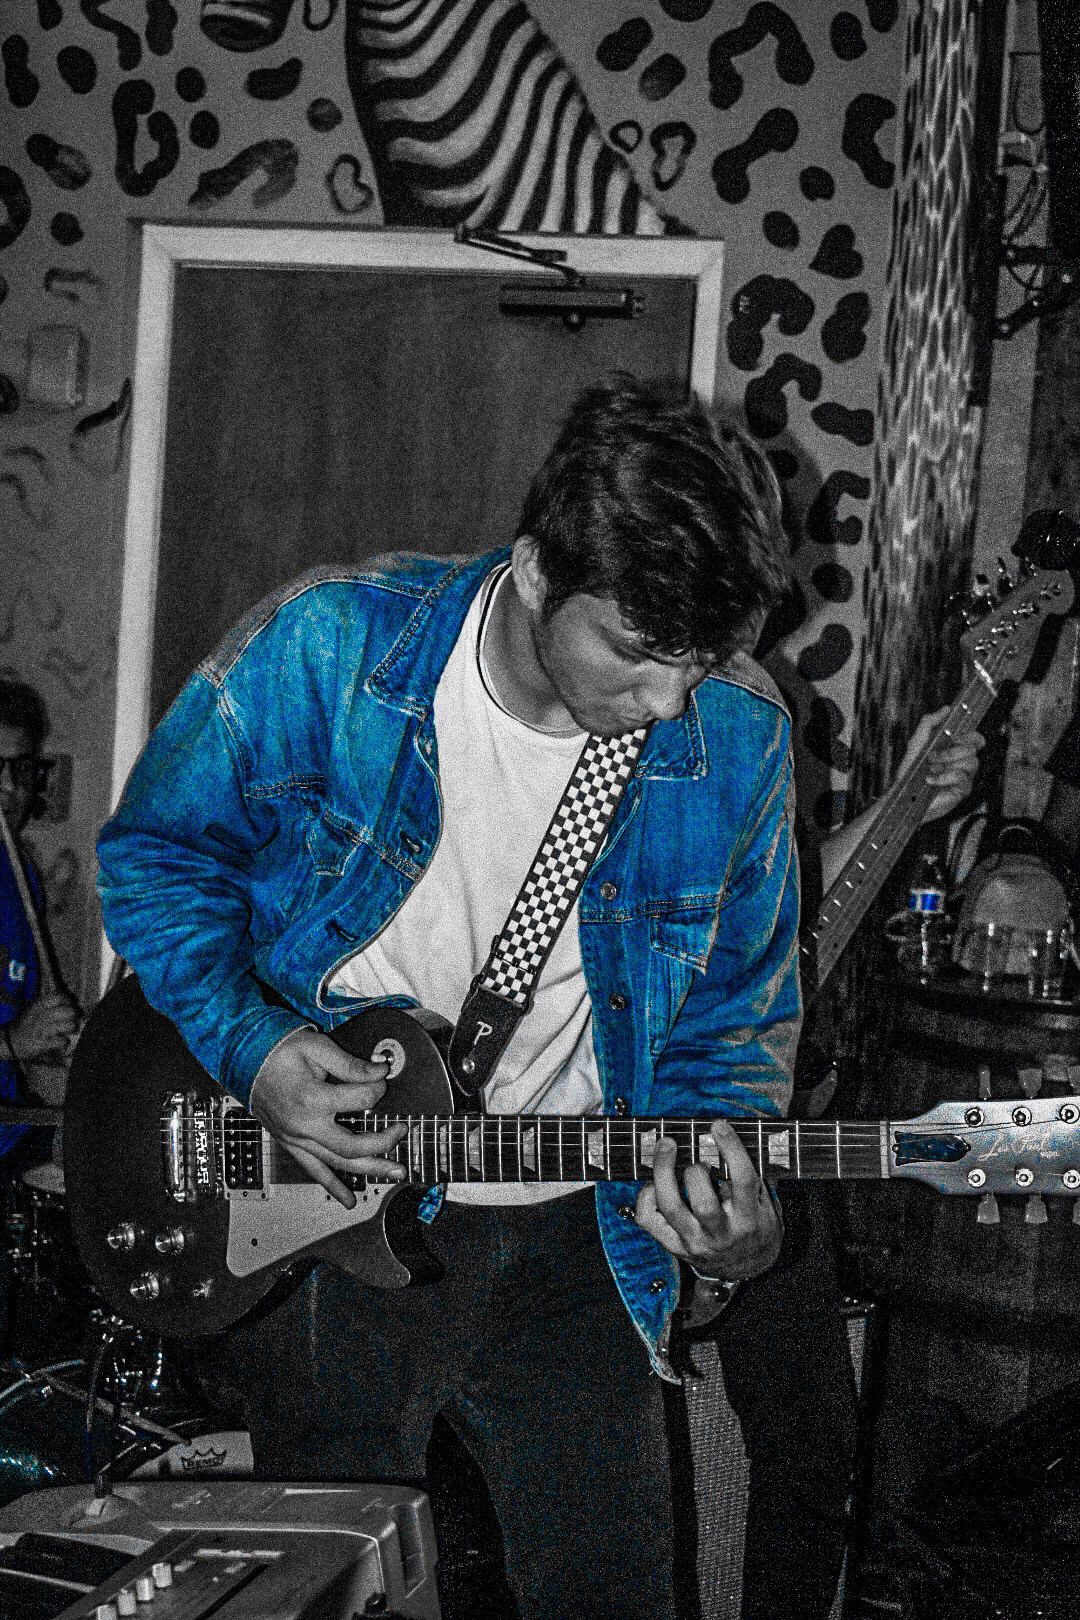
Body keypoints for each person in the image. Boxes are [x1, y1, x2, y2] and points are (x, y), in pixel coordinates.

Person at [96, 375, 800, 1619]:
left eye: (699, 660)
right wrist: (258, 1050)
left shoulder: (737, 736)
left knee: (617, 1594)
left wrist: (727, 1218)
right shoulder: (331, 645)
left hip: (578, 1220)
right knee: (334, 1587)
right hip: (327, 1202)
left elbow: (732, 1016)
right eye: (637, 653)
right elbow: (154, 859)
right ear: (535, 572)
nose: (669, 702)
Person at [0, 673, 78, 1154]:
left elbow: (23, 1019)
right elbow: (16, 1038)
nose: (9, 788)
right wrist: (12, 1042)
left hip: (12, 1132)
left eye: (21, 768)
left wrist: (60, 1040)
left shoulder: (20, 875)